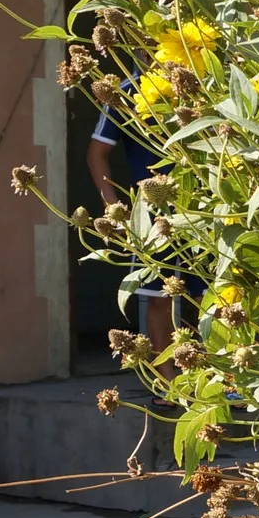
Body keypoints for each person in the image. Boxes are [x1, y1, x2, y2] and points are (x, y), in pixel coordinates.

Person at [86, 103, 174, 354]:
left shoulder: (200, 82)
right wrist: (114, 210)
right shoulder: (122, 94)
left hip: (203, 203)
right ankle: (167, 385)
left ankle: (225, 385)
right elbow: (96, 152)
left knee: (213, 296)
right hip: (150, 214)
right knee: (158, 298)